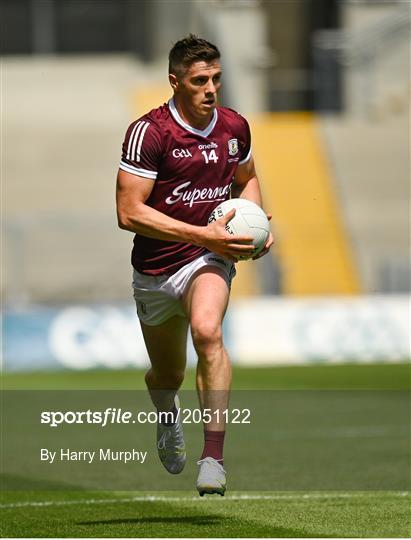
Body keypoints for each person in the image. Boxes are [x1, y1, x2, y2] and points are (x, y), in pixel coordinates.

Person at [116, 34, 273, 496]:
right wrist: (201, 232)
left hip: (208, 258)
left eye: (216, 79)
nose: (211, 88)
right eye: (200, 79)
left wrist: (256, 225)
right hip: (156, 268)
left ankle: (214, 458)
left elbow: (247, 180)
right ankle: (167, 418)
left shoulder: (235, 127)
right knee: (167, 375)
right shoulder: (150, 132)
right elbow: (129, 212)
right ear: (175, 80)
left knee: (208, 331)